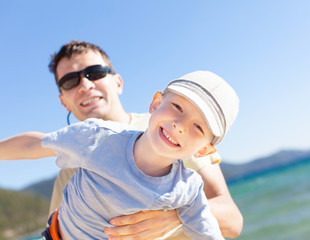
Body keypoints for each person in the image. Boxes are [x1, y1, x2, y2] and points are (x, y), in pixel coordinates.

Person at [0, 70, 239, 240]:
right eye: (177, 107)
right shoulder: (99, 138)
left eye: (198, 127)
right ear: (156, 103)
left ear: (204, 150)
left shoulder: (188, 188)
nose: (180, 125)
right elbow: (35, 144)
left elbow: (207, 232)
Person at [49, 41, 243, 239]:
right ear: (63, 101)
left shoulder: (169, 130)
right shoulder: (68, 174)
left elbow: (233, 220)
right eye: (70, 81)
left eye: (95, 73)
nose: (85, 85)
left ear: (118, 82)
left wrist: (177, 215)